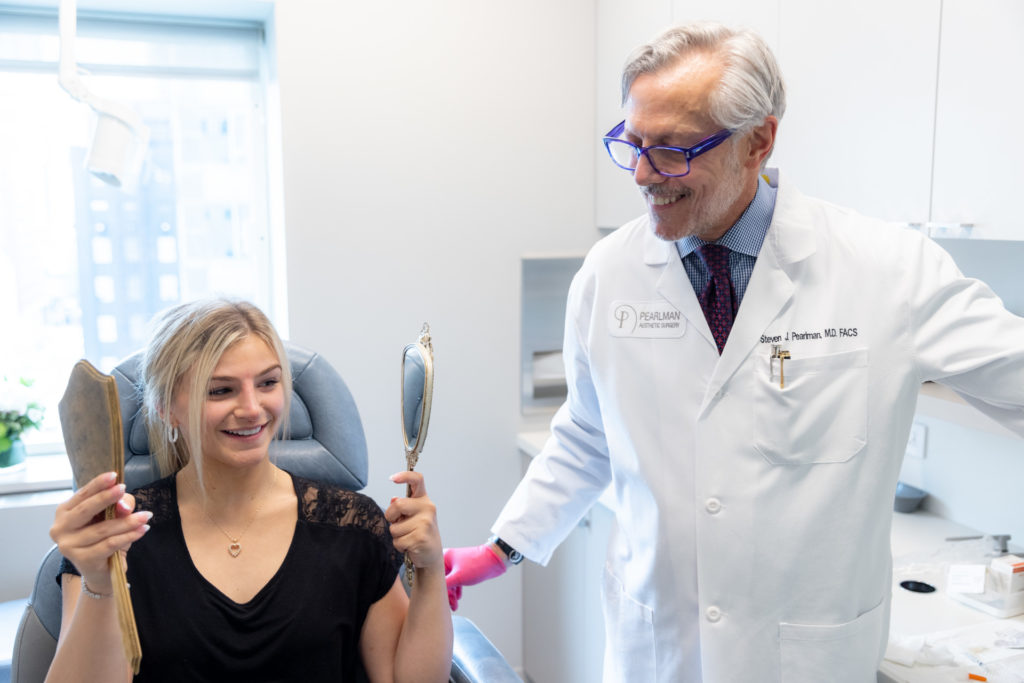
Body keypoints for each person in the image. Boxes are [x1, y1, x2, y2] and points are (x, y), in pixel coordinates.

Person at [443, 21, 1024, 682]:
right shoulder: (610, 273)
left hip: (806, 658)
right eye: (632, 143)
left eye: (673, 150)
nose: (642, 172)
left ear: (759, 141)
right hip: (656, 652)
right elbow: (586, 435)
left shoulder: (885, 269)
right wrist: (502, 547)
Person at [47, 299, 452, 682]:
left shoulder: (353, 528)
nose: (253, 408)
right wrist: (101, 582)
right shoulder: (116, 536)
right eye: (220, 390)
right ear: (166, 408)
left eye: (268, 383)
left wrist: (430, 569)